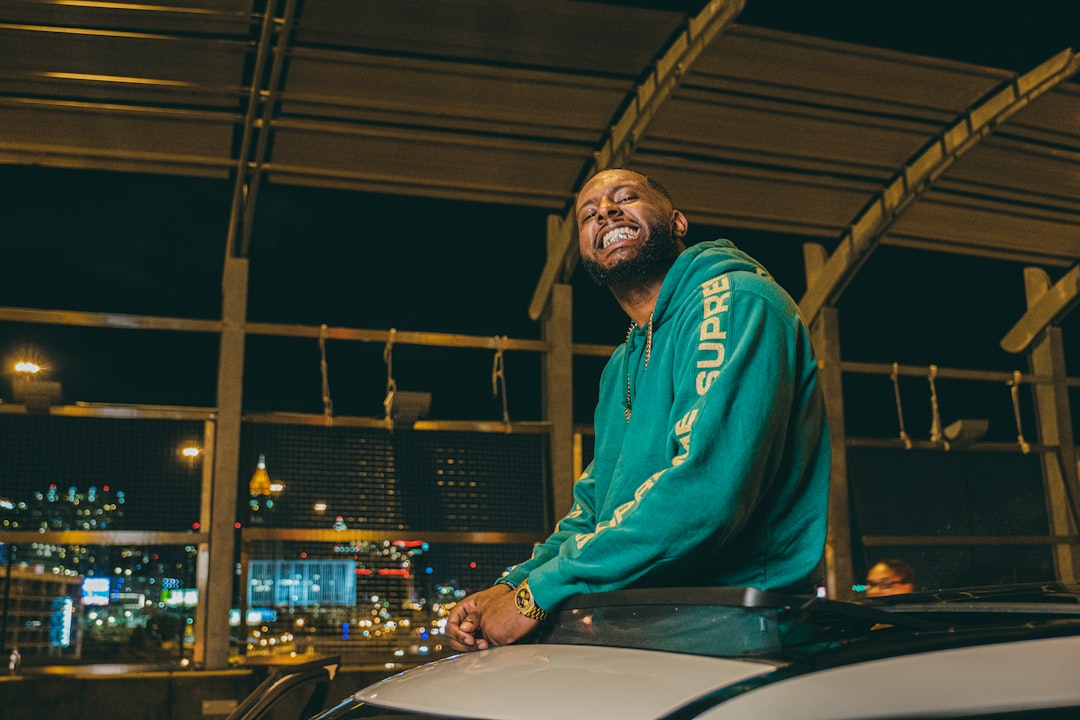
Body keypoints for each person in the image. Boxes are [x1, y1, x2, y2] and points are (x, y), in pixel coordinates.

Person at [445, 168, 831, 651]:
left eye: (625, 197)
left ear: (678, 222)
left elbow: (704, 493)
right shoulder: (620, 366)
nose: (604, 211)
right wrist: (511, 585)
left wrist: (534, 597)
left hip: (740, 631)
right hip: (648, 627)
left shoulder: (734, 301)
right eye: (589, 213)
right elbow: (594, 510)